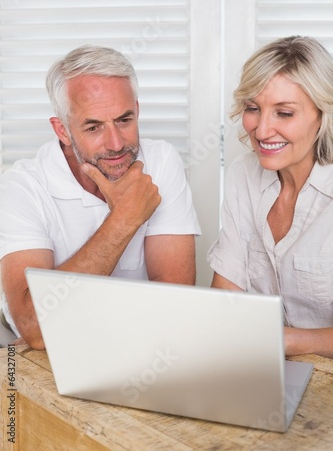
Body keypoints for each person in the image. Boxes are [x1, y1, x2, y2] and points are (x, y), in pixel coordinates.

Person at [0, 45, 201, 350]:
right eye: (93, 127)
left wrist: (69, 322)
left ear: (137, 109)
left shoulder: (161, 160)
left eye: (124, 120)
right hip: (45, 356)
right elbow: (36, 328)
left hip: (140, 347)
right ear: (63, 131)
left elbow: (176, 301)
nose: (116, 143)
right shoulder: (21, 186)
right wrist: (124, 219)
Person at [208, 35, 333, 359]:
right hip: (260, 371)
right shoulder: (242, 175)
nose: (262, 130)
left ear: (323, 114)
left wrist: (285, 341)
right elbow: (226, 298)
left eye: (284, 113)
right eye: (253, 108)